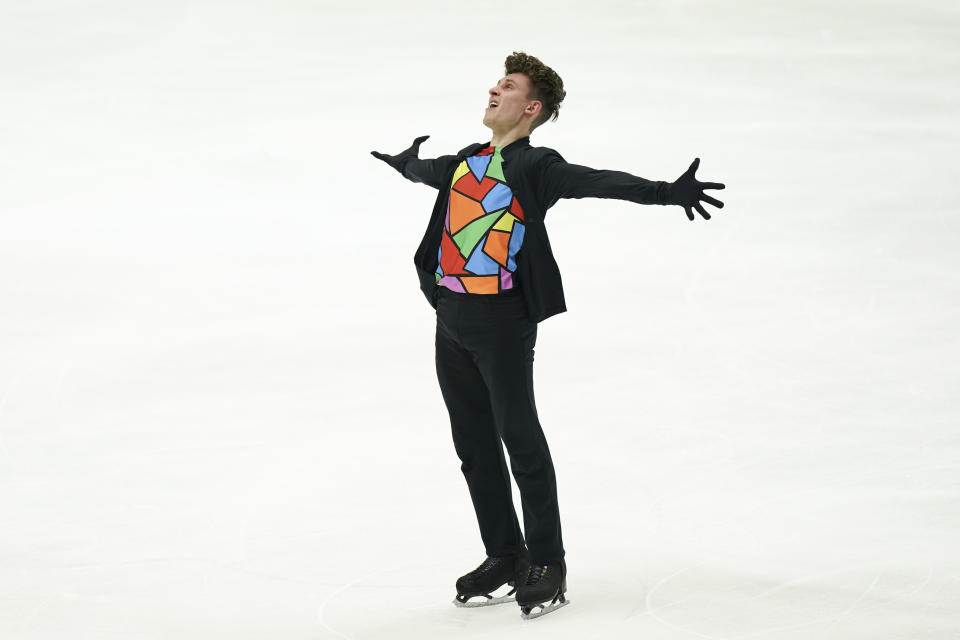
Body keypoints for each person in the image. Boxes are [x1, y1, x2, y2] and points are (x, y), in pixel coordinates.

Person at [370, 51, 725, 620]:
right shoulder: (466, 161)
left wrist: (666, 191)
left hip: (502, 323)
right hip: (450, 320)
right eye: (495, 82)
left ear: (530, 107)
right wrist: (407, 163)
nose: (493, 90)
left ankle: (547, 562)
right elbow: (428, 172)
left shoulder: (536, 166)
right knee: (474, 448)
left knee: (520, 440)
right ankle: (504, 555)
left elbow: (598, 182)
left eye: (506, 86)